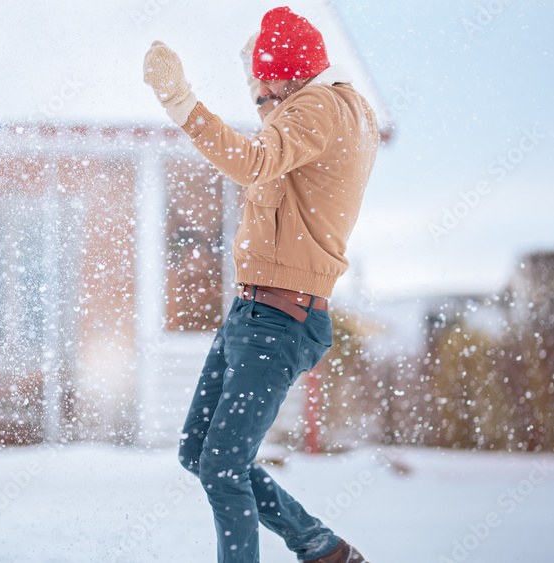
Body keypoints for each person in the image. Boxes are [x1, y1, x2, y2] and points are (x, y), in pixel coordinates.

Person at [143, 6, 379, 563]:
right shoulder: (338, 108)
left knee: (222, 466)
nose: (260, 92)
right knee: (200, 451)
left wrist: (183, 103)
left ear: (289, 74)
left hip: (278, 319)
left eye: (265, 80)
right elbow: (283, 164)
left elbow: (253, 161)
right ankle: (319, 546)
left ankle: (314, 546)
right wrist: (274, 97)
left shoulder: (320, 108)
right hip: (257, 313)